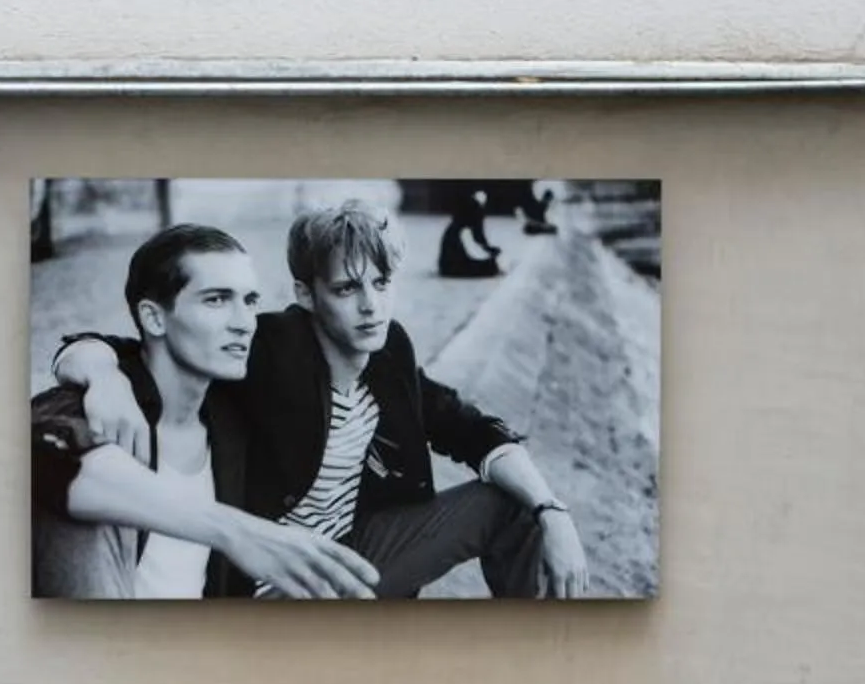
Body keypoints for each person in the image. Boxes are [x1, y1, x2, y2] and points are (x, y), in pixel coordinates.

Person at [54, 201, 588, 600]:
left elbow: (468, 427)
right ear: (307, 294)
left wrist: (552, 510)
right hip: (271, 580)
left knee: (511, 503)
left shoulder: (388, 349)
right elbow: (136, 347)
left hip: (354, 554)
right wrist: (100, 371)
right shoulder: (266, 347)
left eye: (381, 283)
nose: (370, 306)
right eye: (347, 288)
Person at [29, 223, 378, 600]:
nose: (244, 324)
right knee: (78, 512)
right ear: (154, 318)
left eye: (249, 301)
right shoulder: (106, 403)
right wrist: (237, 531)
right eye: (216, 300)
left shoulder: (233, 405)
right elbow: (38, 453)